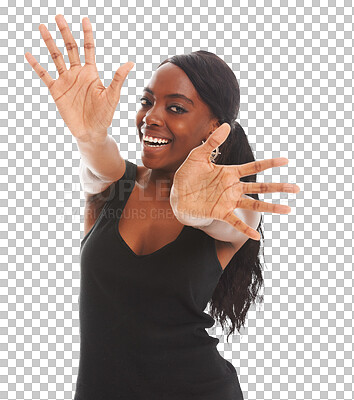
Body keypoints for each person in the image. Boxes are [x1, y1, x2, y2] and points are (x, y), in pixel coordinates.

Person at [25, 14, 300, 400]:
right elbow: (101, 157)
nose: (151, 117)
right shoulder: (111, 186)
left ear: (213, 129)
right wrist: (88, 135)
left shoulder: (230, 205)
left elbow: (228, 223)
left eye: (176, 108)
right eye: (147, 101)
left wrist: (193, 211)